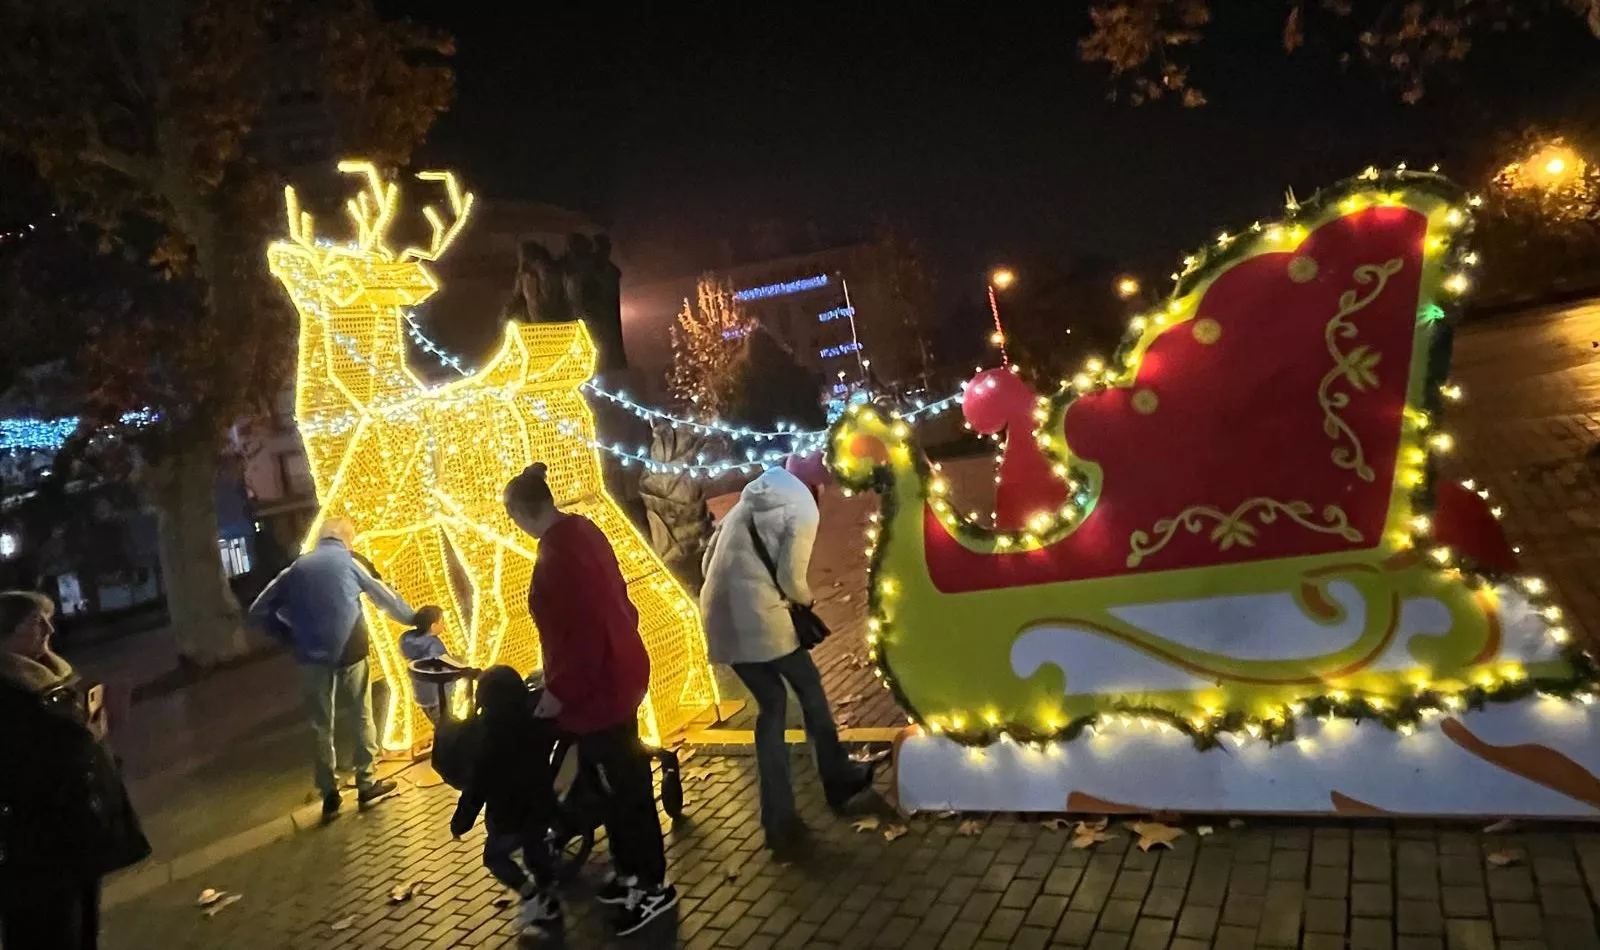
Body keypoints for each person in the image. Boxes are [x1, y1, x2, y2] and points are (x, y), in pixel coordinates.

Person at [503, 462, 676, 937]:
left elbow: (578, 638)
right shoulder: (582, 532)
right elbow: (607, 609)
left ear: (519, 511)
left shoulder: (556, 559)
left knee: (624, 790)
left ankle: (651, 887)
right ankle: (631, 873)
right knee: (617, 785)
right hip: (619, 675)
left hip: (599, 693)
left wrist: (558, 691)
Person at [700, 466, 872, 856]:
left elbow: (708, 560)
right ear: (817, 484)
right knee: (810, 689)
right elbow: (791, 578)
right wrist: (806, 603)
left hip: (717, 617)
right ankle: (836, 776)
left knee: (772, 706)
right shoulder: (802, 509)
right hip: (761, 619)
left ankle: (778, 821)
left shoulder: (750, 496)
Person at [0, 590, 149, 949]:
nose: (49, 629)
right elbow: (23, 764)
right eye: (35, 623)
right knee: (48, 934)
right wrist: (79, 742)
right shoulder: (9, 691)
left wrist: (98, 730)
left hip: (74, 835)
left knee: (82, 930)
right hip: (36, 849)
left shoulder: (51, 676)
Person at [248, 517, 412, 819]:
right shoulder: (348, 562)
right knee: (361, 714)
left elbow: (257, 610)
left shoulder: (296, 569)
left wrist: (285, 632)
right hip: (351, 649)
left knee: (320, 724)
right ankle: (366, 782)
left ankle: (330, 793)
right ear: (346, 539)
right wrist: (414, 620)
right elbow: (383, 596)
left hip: (310, 654)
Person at [450, 666, 561, 936]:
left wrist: (462, 821)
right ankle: (548, 899)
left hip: (507, 814)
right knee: (536, 853)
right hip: (539, 805)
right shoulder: (535, 724)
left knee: (495, 857)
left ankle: (531, 895)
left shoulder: (488, 740)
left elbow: (476, 787)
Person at [400, 605, 457, 724]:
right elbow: (444, 670)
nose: (444, 624)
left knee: (439, 723)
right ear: (433, 626)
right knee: (446, 726)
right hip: (437, 697)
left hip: (422, 695)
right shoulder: (434, 647)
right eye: (442, 621)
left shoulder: (408, 639)